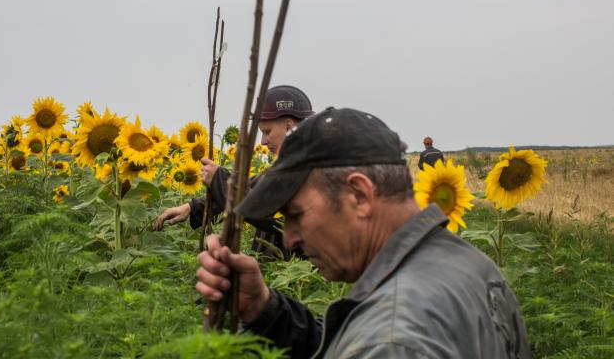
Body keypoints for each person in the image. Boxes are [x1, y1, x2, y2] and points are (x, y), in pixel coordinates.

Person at [195, 107, 532, 359]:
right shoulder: (468, 266)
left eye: (295, 215)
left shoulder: (393, 339)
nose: (289, 238)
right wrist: (265, 310)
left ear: (358, 194)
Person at [153, 85, 314, 260]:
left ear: (289, 127)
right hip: (280, 279)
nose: (263, 141)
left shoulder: (313, 168)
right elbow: (254, 187)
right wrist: (193, 208)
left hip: (304, 282)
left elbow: (267, 209)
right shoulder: (289, 165)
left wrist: (218, 179)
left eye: (267, 132)